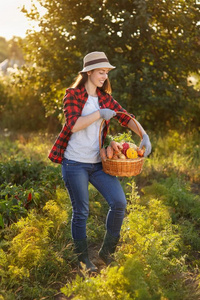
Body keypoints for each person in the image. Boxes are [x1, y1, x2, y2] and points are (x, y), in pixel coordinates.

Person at [48, 51, 151, 272]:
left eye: (106, 72)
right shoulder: (72, 95)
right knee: (82, 211)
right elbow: (73, 125)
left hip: (98, 164)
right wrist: (99, 114)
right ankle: (83, 259)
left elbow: (125, 117)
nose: (104, 76)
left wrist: (144, 135)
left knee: (119, 203)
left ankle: (106, 253)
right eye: (101, 72)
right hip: (74, 163)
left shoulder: (106, 98)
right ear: (88, 73)